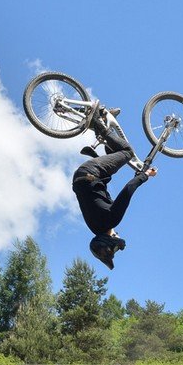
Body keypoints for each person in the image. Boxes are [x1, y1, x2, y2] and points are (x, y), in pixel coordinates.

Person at [72, 108, 157, 270]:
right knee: (116, 154)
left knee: (127, 152)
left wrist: (145, 175)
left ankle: (97, 122)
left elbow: (129, 189)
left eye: (115, 248)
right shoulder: (94, 226)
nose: (117, 235)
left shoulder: (111, 220)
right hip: (82, 176)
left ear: (109, 241)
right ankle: (106, 120)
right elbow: (96, 194)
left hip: (92, 172)